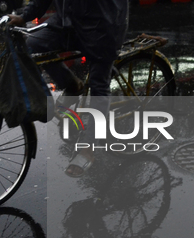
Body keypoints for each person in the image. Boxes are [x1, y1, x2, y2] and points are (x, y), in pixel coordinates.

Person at [7, 0, 129, 177]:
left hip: (103, 25)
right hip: (69, 23)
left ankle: (88, 148)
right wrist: (24, 17)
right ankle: (72, 84)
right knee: (31, 46)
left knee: (98, 85)